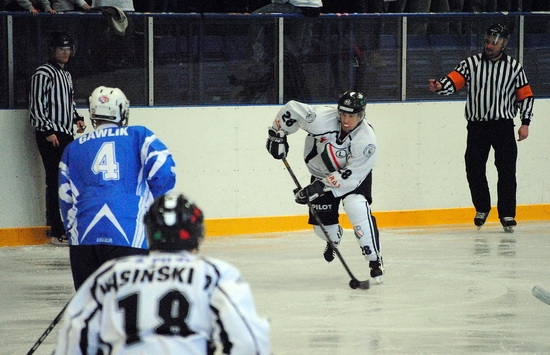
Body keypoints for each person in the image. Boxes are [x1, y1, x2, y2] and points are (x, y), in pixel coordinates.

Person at [54, 193, 272, 354]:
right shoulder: (214, 274)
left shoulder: (112, 274)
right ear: (198, 234)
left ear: (149, 232)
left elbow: (75, 336)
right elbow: (249, 342)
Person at [58, 86, 176, 290]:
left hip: (85, 239)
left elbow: (64, 198)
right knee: (130, 313)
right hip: (129, 233)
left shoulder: (73, 148)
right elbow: (165, 172)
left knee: (91, 312)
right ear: (122, 110)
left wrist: (74, 236)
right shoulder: (139, 136)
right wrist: (153, 205)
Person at [266, 91, 384, 283]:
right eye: (343, 114)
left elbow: (351, 176)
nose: (346, 120)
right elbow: (293, 109)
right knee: (323, 231)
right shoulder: (321, 118)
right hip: (320, 174)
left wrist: (316, 189)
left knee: (356, 207)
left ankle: (374, 261)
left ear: (361, 115)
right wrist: (277, 135)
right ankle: (334, 239)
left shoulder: (366, 140)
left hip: (354, 179)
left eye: (352, 116)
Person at [428, 23, 534, 233]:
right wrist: (440, 86)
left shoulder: (514, 67)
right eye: (487, 41)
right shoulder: (471, 63)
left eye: (494, 43)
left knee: (506, 170)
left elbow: (525, 96)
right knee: (473, 168)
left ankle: (507, 213)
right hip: (477, 126)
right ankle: (482, 207)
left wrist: (525, 123)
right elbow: (453, 81)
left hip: (503, 125)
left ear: (503, 44)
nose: (489, 46)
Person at [29, 31, 86, 245]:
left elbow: (68, 103)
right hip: (50, 134)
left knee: (67, 180)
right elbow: (36, 105)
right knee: (55, 180)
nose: (65, 53)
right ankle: (56, 229)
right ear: (52, 51)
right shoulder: (43, 73)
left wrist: (77, 117)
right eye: (61, 49)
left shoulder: (66, 75)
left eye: (68, 49)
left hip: (65, 132)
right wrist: (46, 131)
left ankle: (66, 225)